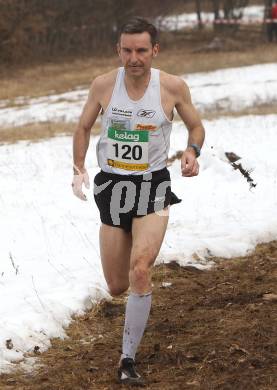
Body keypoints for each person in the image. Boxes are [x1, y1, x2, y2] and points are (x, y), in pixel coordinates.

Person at [72, 17, 205, 386]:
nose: (134, 58)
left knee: (141, 269)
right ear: (119, 51)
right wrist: (78, 166)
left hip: (152, 186)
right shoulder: (102, 86)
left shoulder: (173, 87)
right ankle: (133, 310)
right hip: (113, 187)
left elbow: (196, 126)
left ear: (154, 50)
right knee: (116, 285)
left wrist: (192, 152)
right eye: (127, 50)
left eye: (142, 50)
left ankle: (127, 359)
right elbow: (83, 127)